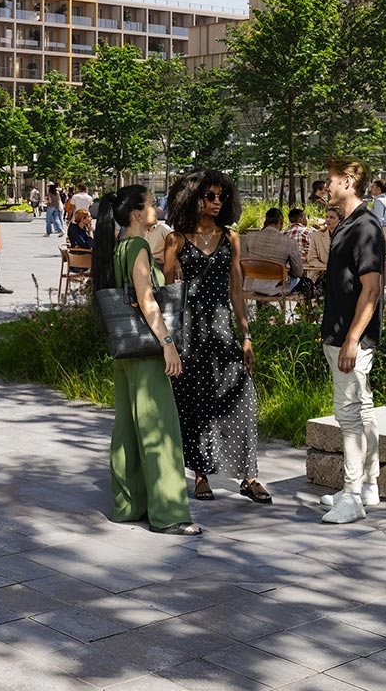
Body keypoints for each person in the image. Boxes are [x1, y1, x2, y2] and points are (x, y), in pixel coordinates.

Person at [92, 183, 198, 535]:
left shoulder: (115, 247)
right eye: (152, 204)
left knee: (127, 427)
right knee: (159, 429)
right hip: (146, 349)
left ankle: (128, 504)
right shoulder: (136, 246)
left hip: (124, 350)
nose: (157, 208)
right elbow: (146, 299)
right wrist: (168, 342)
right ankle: (169, 514)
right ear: (137, 213)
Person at [162, 172, 271, 506]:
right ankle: (200, 473)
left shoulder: (231, 238)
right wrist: (168, 341)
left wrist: (246, 335)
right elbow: (168, 291)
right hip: (190, 331)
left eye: (222, 197)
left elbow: (236, 289)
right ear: (193, 198)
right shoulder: (175, 240)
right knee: (195, 403)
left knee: (243, 399)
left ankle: (248, 476)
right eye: (211, 196)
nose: (217, 202)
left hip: (222, 328)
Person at [318, 159, 386, 523]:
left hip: (350, 339)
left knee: (348, 416)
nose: (325, 186)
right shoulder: (347, 225)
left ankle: (352, 496)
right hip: (341, 334)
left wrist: (352, 340)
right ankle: (369, 485)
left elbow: (371, 289)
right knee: (362, 409)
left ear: (347, 181)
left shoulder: (365, 226)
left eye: (330, 180)